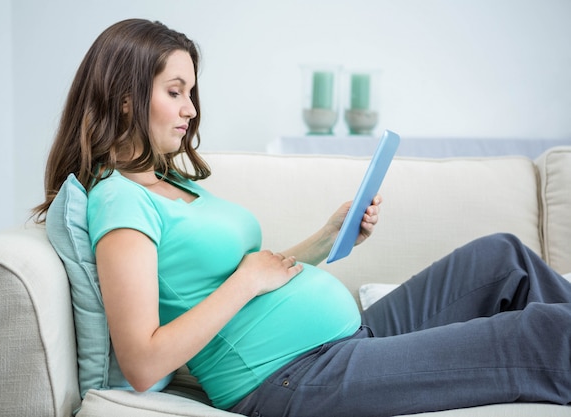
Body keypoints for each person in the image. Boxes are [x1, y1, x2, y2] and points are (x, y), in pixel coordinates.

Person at [33, 18, 571, 417]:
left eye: (191, 93)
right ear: (125, 100)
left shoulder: (165, 182)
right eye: (175, 93)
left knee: (504, 258)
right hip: (292, 379)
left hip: (345, 339)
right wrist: (245, 281)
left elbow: (250, 272)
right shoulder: (119, 201)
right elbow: (143, 363)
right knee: (535, 335)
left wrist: (328, 237)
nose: (191, 109)